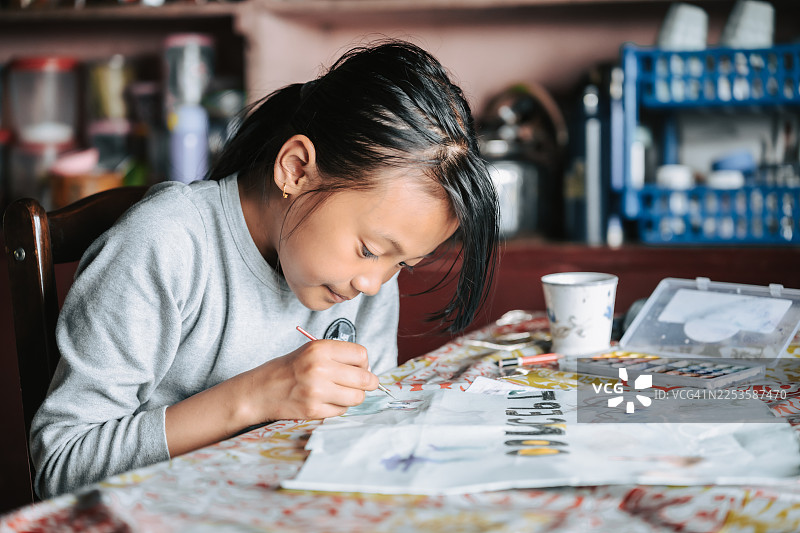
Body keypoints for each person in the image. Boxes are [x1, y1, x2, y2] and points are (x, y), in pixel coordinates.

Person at [31, 39, 499, 499]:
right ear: (296, 170)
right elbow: (61, 466)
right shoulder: (165, 244)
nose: (373, 283)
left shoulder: (369, 278)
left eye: (404, 264)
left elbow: (364, 429)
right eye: (369, 249)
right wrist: (256, 395)